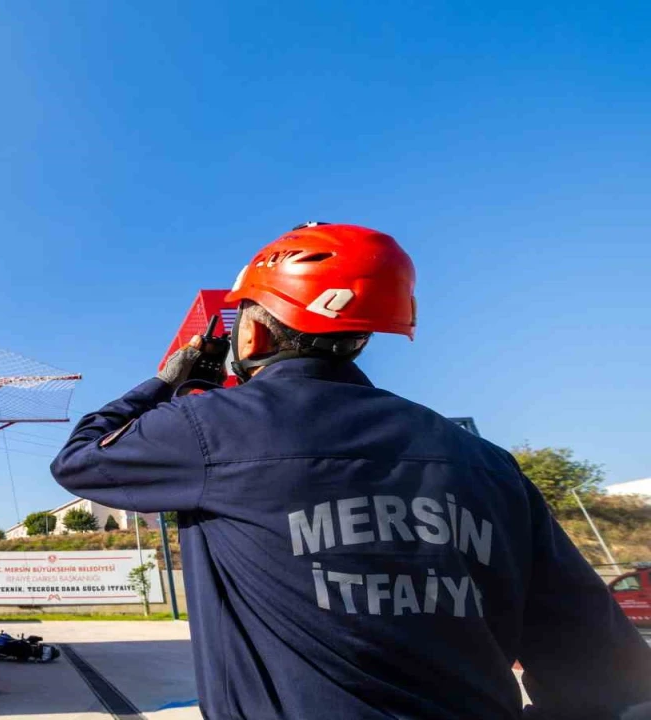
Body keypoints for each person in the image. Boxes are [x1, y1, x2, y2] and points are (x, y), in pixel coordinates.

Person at [51, 222, 651, 720]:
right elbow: (600, 666)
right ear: (361, 337)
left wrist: (166, 381)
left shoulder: (210, 429)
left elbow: (79, 456)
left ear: (254, 331)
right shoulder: (488, 463)